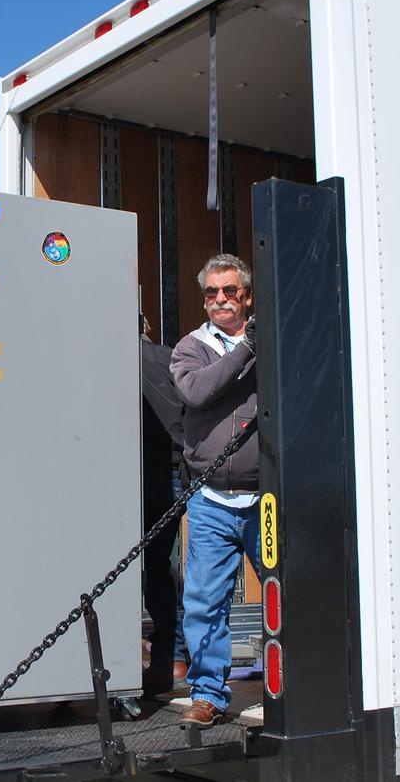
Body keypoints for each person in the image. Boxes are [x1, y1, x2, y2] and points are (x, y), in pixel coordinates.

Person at [169, 254, 260, 728]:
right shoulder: (191, 347)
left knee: (293, 593)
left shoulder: (272, 340)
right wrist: (247, 350)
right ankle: (208, 694)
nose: (220, 300)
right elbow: (198, 392)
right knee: (204, 602)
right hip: (211, 501)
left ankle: (304, 687)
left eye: (229, 291)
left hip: (267, 499)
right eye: (211, 292)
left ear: (247, 295)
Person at [139, 316, 189, 695]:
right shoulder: (170, 357)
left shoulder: (114, 359)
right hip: (177, 468)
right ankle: (175, 656)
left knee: (146, 567)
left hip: (143, 469)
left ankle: (166, 656)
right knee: (163, 564)